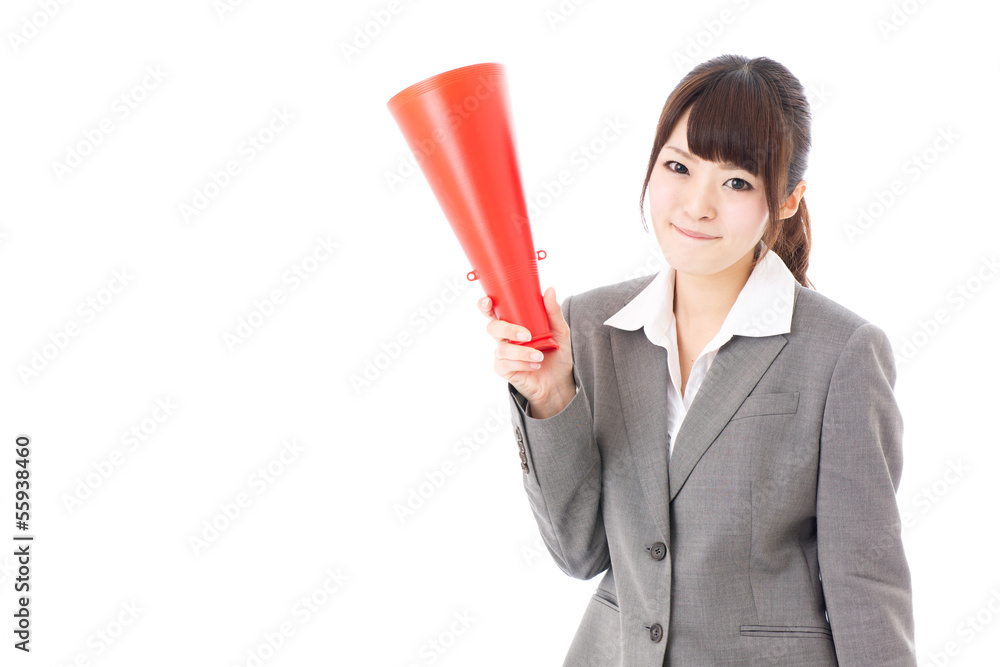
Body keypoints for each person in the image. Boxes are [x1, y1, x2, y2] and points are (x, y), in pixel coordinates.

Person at [480, 54, 918, 666]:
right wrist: (552, 398)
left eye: (736, 182)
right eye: (678, 167)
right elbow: (579, 552)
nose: (696, 205)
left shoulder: (841, 353)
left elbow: (864, 584)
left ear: (789, 199)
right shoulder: (592, 326)